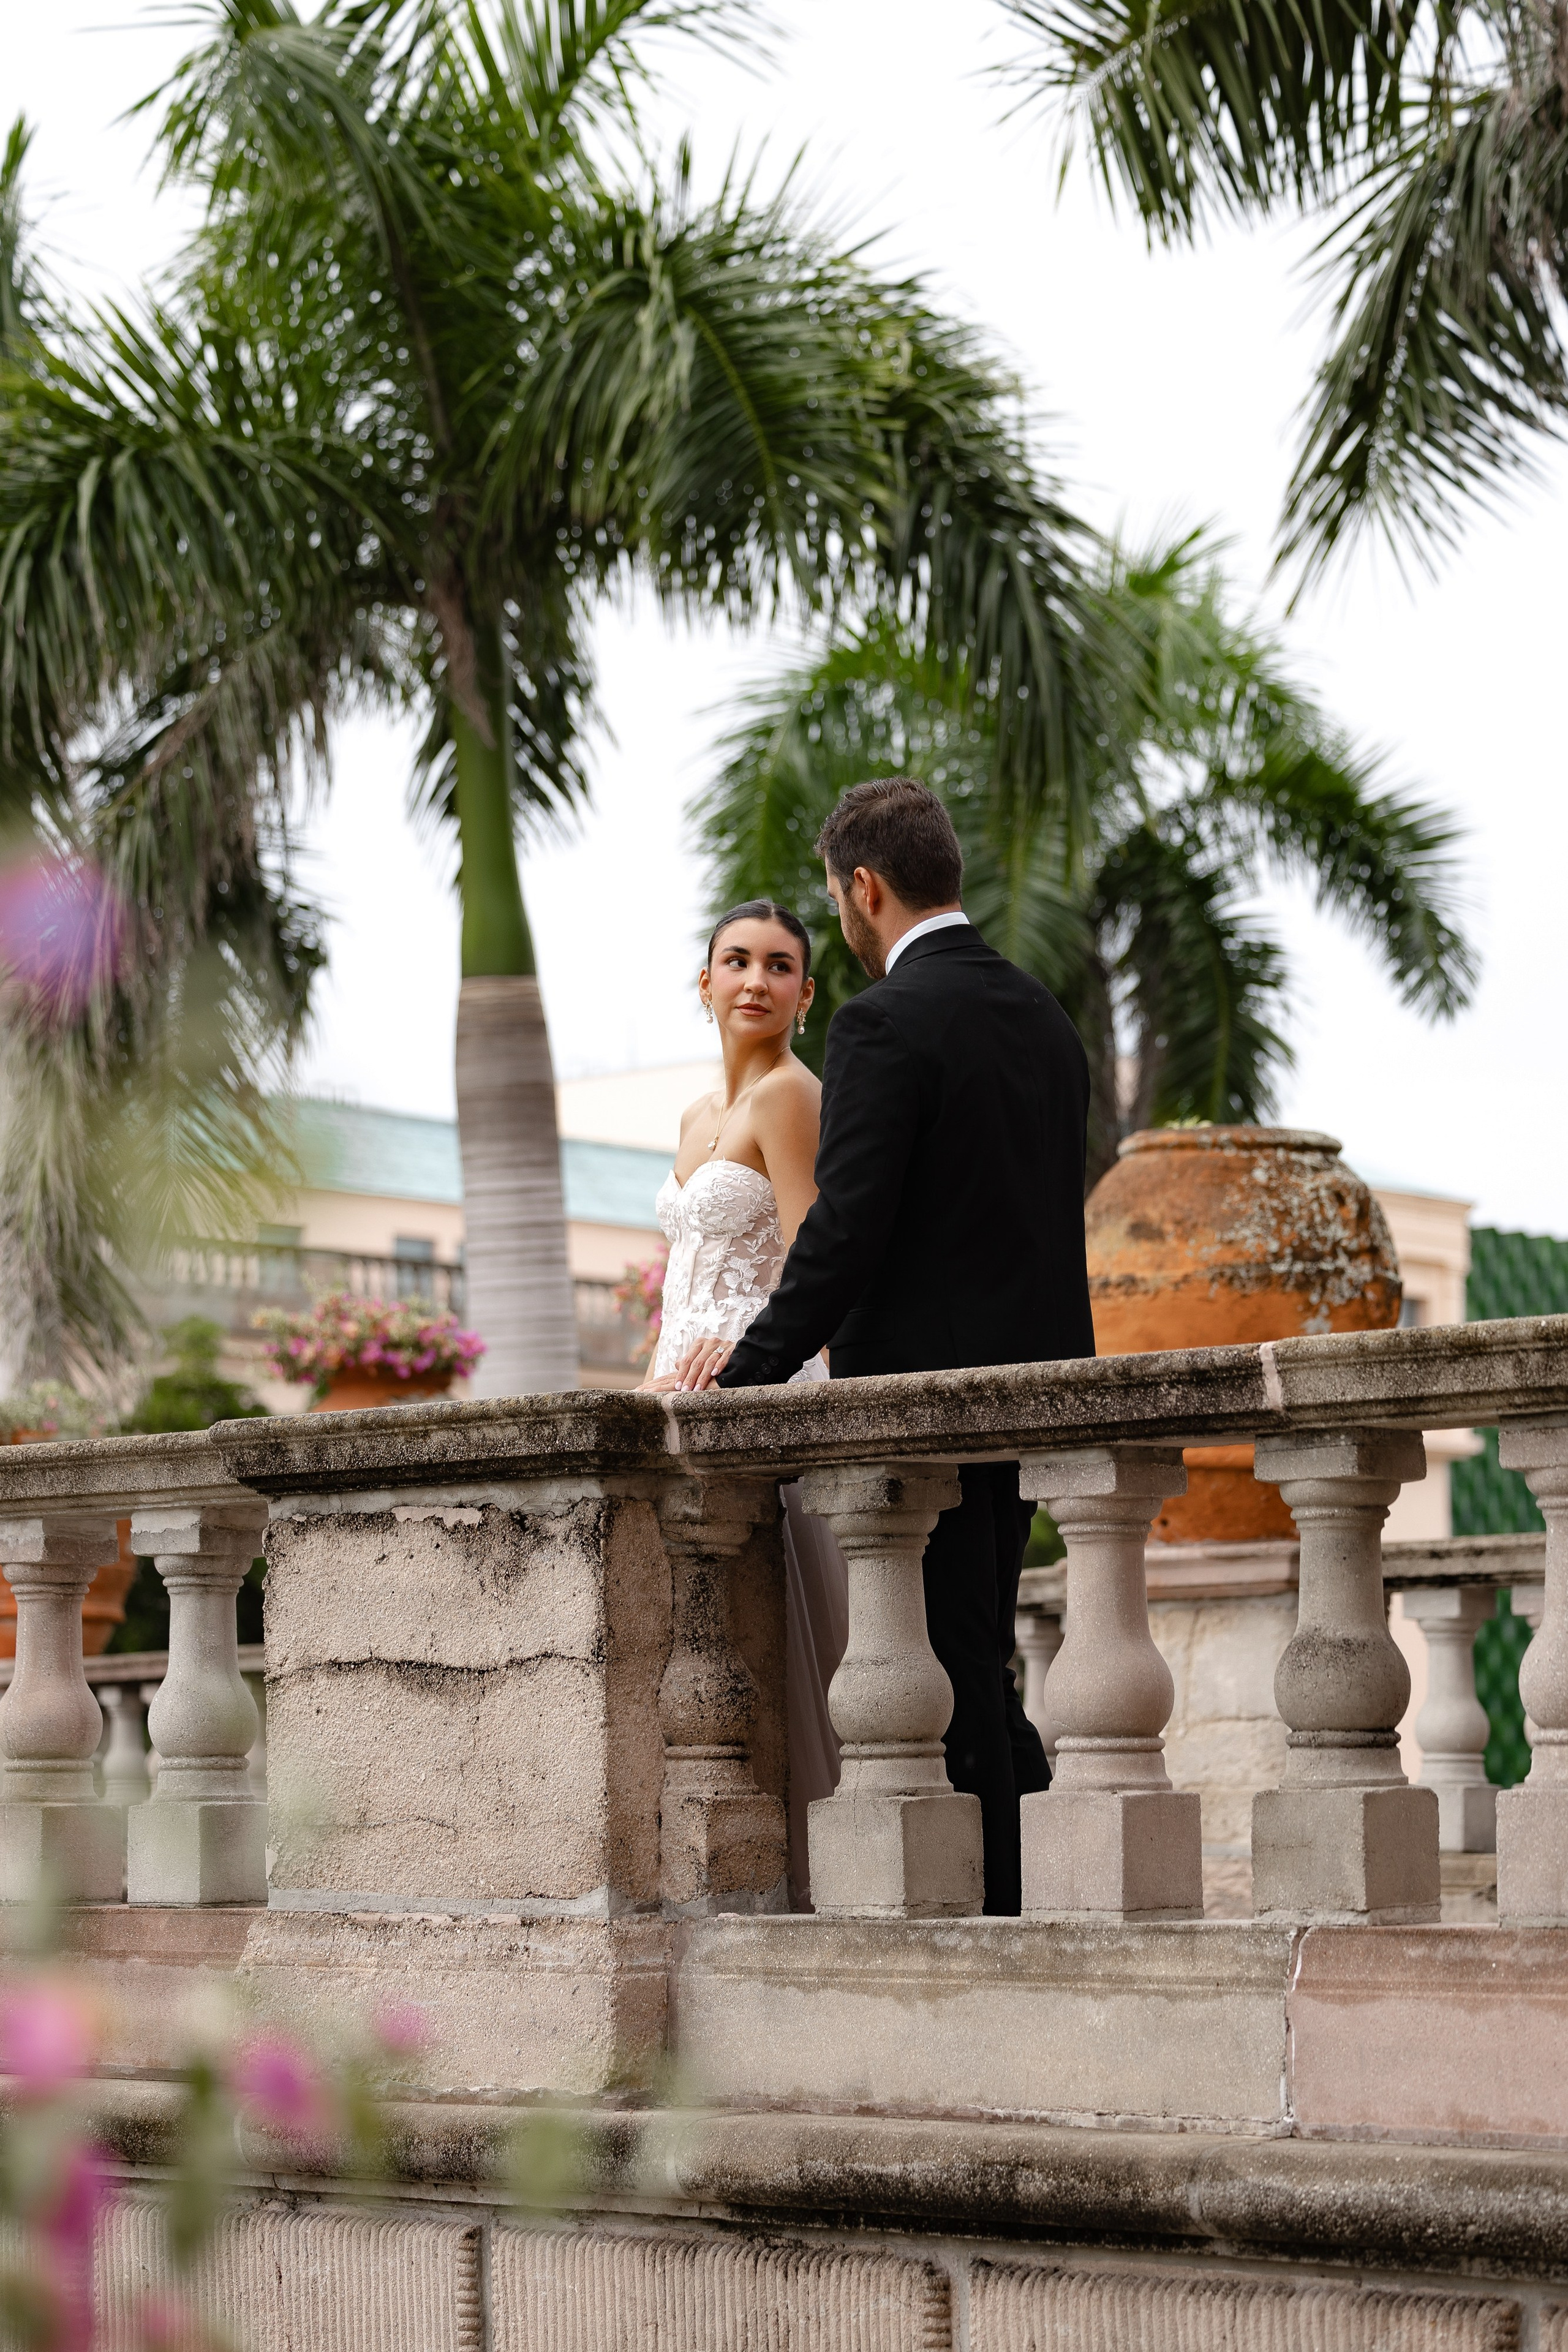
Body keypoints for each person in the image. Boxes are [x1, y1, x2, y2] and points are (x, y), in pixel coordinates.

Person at [684, 777, 1097, 1917]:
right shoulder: (1042, 1015)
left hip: (919, 1405)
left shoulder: (881, 1022)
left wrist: (747, 1375)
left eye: (835, 903)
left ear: (862, 890)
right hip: (1042, 1395)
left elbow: (847, 1233)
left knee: (949, 1669)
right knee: (975, 1658)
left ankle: (1005, 1915)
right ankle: (1020, 1895)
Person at [639, 899, 849, 1909]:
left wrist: (755, 1356)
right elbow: (686, 1270)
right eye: (736, 961)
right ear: (706, 981)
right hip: (681, 1388)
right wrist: (655, 1371)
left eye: (778, 966)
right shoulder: (693, 1118)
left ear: (806, 995)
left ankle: (813, 1881)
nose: (755, 980)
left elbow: (818, 1260)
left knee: (781, 1633)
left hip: (763, 1383)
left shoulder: (792, 1099)